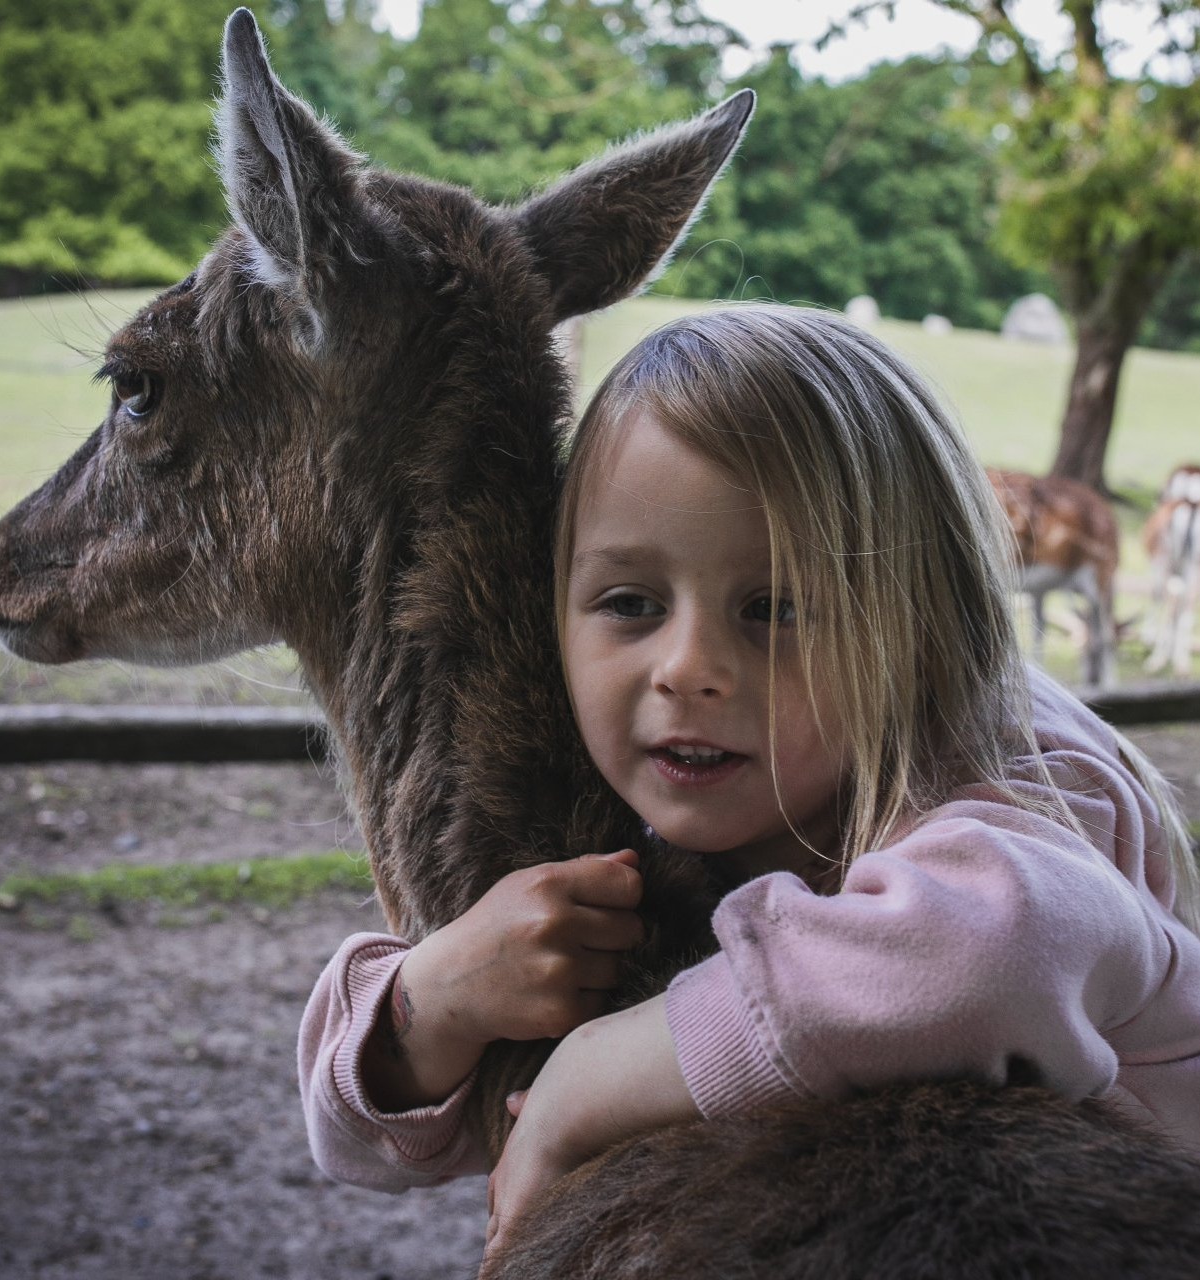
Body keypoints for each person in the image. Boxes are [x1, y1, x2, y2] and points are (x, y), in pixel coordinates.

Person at [298, 303, 1200, 1252]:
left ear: (926, 633)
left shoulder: (1023, 787)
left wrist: (589, 1081)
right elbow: (346, 1144)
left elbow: (996, 955)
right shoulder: (642, 805)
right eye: (629, 602)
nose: (686, 665)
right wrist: (430, 1003)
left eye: (774, 607)